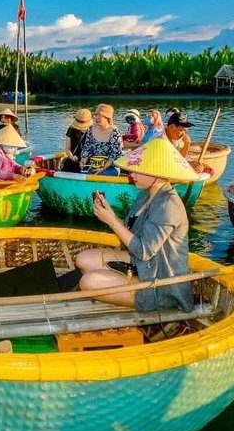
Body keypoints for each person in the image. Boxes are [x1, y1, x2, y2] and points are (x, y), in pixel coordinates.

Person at [76, 137, 201, 312]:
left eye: (137, 170)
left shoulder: (167, 206)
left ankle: (150, 299)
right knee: (83, 259)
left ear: (156, 175)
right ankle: (122, 283)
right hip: (141, 265)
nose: (131, 174)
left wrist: (112, 221)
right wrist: (109, 215)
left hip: (162, 282)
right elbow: (129, 237)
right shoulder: (145, 194)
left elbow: (144, 251)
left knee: (88, 282)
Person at [79, 104, 123, 176]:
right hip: (94, 166)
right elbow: (87, 149)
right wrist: (83, 162)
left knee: (102, 174)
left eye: (100, 116)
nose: (97, 118)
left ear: (107, 118)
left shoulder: (114, 132)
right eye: (96, 115)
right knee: (88, 173)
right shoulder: (90, 129)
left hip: (111, 168)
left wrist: (102, 168)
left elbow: (115, 155)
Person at [61, 108, 92, 173]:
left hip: (89, 160)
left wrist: (84, 160)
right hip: (74, 159)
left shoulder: (94, 130)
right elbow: (67, 149)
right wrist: (71, 156)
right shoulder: (71, 129)